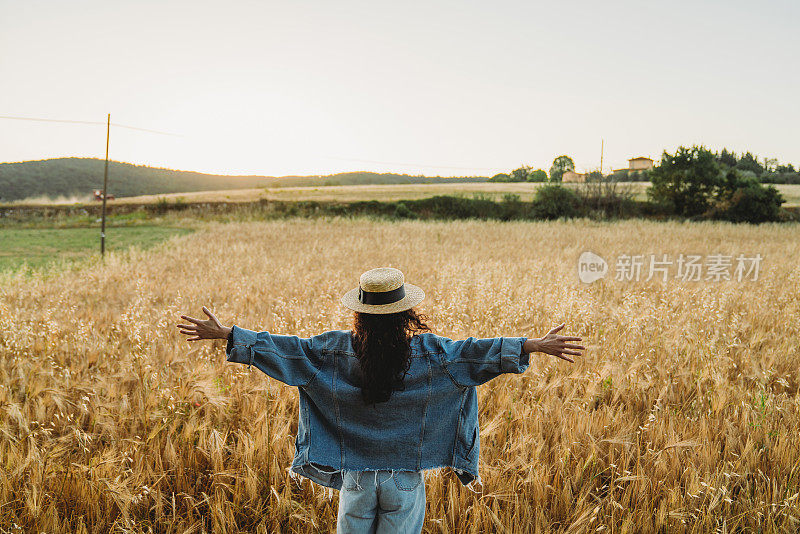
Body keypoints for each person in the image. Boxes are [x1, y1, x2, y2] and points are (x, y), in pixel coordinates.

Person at [177, 267, 584, 533]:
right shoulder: (431, 354)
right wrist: (533, 344)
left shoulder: (332, 352)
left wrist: (229, 333)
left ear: (360, 313)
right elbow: (476, 353)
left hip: (355, 477)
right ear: (406, 314)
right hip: (404, 479)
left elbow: (285, 350)